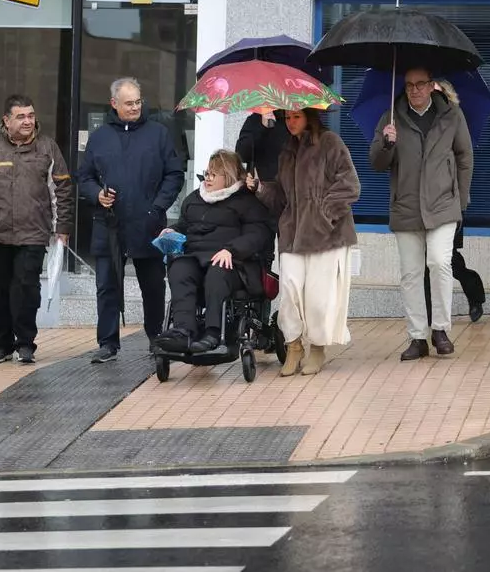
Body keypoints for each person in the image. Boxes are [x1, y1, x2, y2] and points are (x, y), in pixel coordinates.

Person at [367, 66, 473, 361]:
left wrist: (460, 199)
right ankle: (417, 337)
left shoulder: (451, 115)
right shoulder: (390, 117)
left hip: (442, 204)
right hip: (406, 206)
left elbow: (465, 156)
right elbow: (376, 162)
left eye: (420, 84)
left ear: (431, 86)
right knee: (411, 274)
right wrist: (387, 143)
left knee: (440, 262)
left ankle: (440, 329)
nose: (414, 89)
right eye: (409, 84)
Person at [77, 77, 185, 364]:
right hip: (109, 223)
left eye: (138, 101)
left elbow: (175, 174)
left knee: (152, 285)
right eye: (129, 103)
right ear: (114, 104)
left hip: (147, 223)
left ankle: (154, 337)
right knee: (107, 285)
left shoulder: (158, 134)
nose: (136, 107)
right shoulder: (100, 137)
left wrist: (157, 207)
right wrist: (97, 195)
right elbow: (84, 178)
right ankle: (108, 344)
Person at [0, 94, 75, 365]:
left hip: (33, 234)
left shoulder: (48, 148)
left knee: (26, 289)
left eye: (31, 115)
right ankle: (1, 345)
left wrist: (62, 228)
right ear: (6, 120)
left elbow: (62, 190)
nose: (28, 121)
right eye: (21, 116)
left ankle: (25, 344)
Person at [247, 108, 359, 376]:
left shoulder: (330, 142)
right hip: (292, 235)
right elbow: (283, 197)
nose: (291, 122)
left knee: (319, 299)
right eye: (287, 117)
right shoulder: (287, 150)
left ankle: (318, 348)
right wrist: (260, 188)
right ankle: (294, 344)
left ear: (309, 116)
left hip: (327, 236)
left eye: (296, 116)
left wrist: (324, 215)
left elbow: (350, 185)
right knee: (289, 293)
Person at [157, 150, 273, 353]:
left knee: (217, 271)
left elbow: (257, 234)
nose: (207, 178)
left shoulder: (246, 202)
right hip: (195, 257)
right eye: (207, 173)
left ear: (227, 177)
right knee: (179, 268)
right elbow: (185, 225)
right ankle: (183, 331)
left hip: (234, 262)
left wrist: (231, 250)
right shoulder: (194, 199)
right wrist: (171, 231)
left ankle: (212, 333)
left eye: (213, 174)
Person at [422, 80, 485, 325]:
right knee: (426, 262)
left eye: (436, 93)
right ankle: (427, 318)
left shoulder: (454, 119)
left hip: (450, 201)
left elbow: (464, 159)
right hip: (421, 204)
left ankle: (474, 292)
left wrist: (460, 200)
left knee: (448, 259)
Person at [236, 110, 290, 181]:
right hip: (260, 186)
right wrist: (262, 127)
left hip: (288, 184)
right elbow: (241, 155)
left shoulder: (292, 120)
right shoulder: (253, 121)